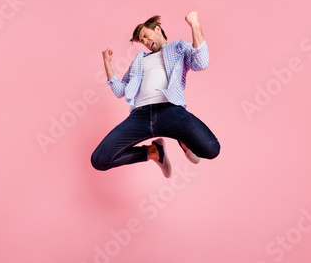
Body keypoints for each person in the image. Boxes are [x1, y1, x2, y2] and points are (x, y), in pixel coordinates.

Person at [91, 12, 220, 178]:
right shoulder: (139, 61)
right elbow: (120, 91)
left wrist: (195, 25)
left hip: (171, 111)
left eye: (145, 35)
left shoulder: (177, 47)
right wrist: (107, 64)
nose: (145, 42)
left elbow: (201, 62)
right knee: (99, 160)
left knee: (211, 149)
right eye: (142, 41)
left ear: (157, 29)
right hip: (140, 116)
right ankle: (154, 152)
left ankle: (184, 141)